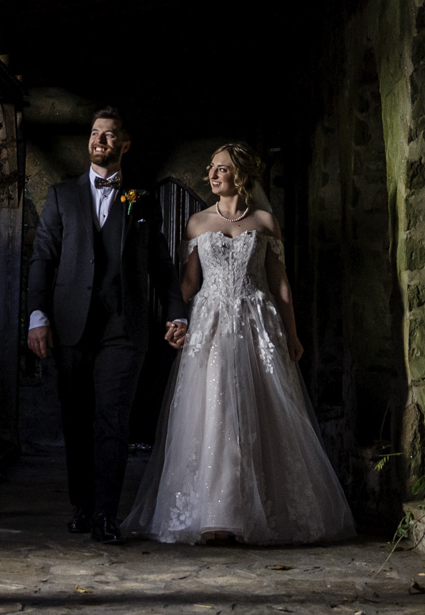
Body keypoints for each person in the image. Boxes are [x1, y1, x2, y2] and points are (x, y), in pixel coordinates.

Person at [122, 142, 357, 545]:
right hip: (211, 325)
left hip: (256, 322)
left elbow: (280, 284)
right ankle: (215, 514)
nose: (213, 175)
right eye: (211, 168)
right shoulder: (197, 223)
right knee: (214, 411)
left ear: (242, 177)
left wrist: (293, 332)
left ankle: (260, 508)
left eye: (222, 169)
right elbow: (189, 283)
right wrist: (177, 318)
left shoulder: (265, 222)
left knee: (262, 411)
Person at [26, 108, 189, 543]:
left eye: (110, 134)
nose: (100, 140)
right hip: (70, 326)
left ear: (124, 145)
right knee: (76, 421)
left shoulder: (141, 198)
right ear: (89, 142)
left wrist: (177, 313)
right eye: (95, 134)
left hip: (123, 329)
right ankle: (81, 506)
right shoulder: (62, 196)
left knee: (112, 420)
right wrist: (37, 315)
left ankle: (105, 514)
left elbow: (160, 264)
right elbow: (43, 257)